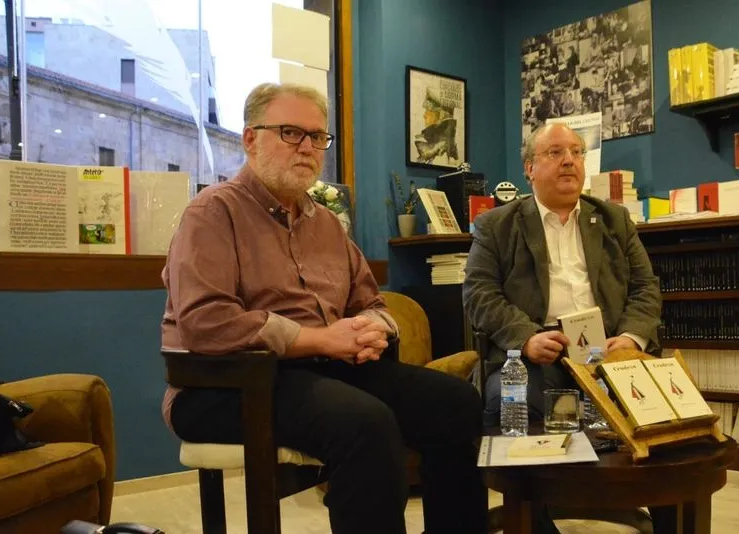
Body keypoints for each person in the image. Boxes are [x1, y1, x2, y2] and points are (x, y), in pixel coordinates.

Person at [160, 82, 487, 534]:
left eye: (317, 137)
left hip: (320, 371)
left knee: (456, 402)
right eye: (291, 133)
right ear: (250, 139)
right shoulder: (212, 213)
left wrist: (374, 328)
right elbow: (205, 323)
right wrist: (321, 339)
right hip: (225, 385)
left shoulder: (328, 224)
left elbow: (369, 301)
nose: (308, 147)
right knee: (364, 424)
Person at [462, 122, 661, 533]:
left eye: (576, 151)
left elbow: (646, 288)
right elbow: (478, 294)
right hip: (537, 353)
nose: (569, 160)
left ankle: (667, 513)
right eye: (555, 153)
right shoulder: (497, 225)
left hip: (607, 354)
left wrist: (628, 339)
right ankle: (535, 519)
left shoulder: (614, 219)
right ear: (529, 168)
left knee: (668, 414)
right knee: (509, 403)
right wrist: (526, 337)